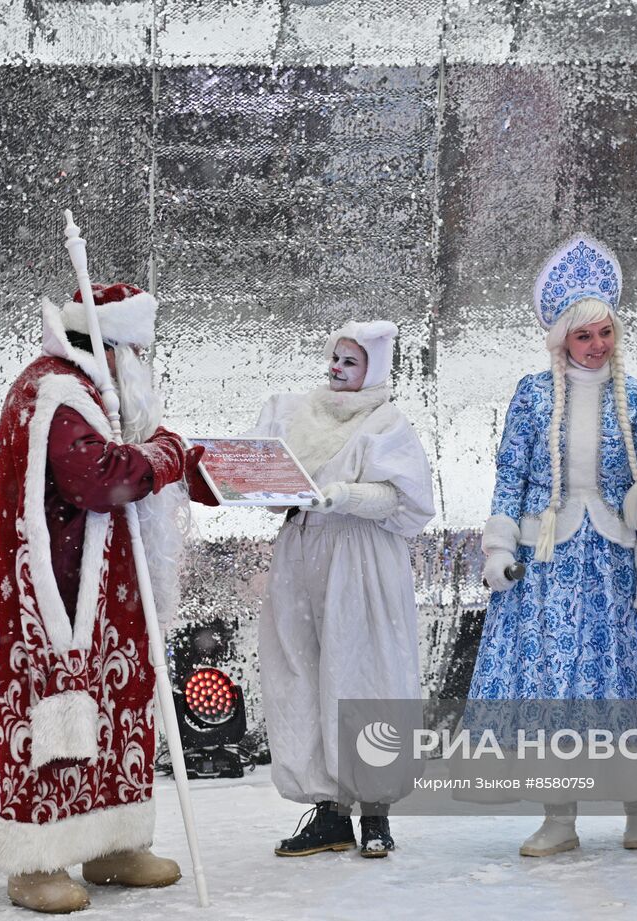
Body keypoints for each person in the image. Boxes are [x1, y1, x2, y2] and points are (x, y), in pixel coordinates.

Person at [0, 282, 214, 913]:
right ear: (114, 350)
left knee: (118, 709)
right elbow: (97, 476)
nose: (146, 363)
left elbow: (139, 451)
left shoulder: (89, 389)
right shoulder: (53, 393)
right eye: (140, 350)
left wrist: (205, 468)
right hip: (52, 600)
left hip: (105, 593)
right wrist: (165, 455)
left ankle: (113, 840)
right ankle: (35, 861)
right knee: (54, 720)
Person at [472, 235, 637, 857]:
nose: (597, 345)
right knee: (556, 689)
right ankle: (560, 816)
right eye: (585, 336)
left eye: (605, 332)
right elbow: (509, 472)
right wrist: (498, 547)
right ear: (561, 340)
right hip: (548, 562)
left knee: (626, 681)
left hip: (612, 561)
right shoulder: (532, 394)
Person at [249, 320, 435, 859]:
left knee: (363, 671)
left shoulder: (387, 423)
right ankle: (331, 813)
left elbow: (406, 504)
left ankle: (374, 810)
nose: (337, 369)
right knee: (304, 670)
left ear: (372, 369)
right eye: (335, 358)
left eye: (350, 362)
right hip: (301, 552)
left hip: (359, 557)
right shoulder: (296, 412)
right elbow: (268, 481)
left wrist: (347, 495)